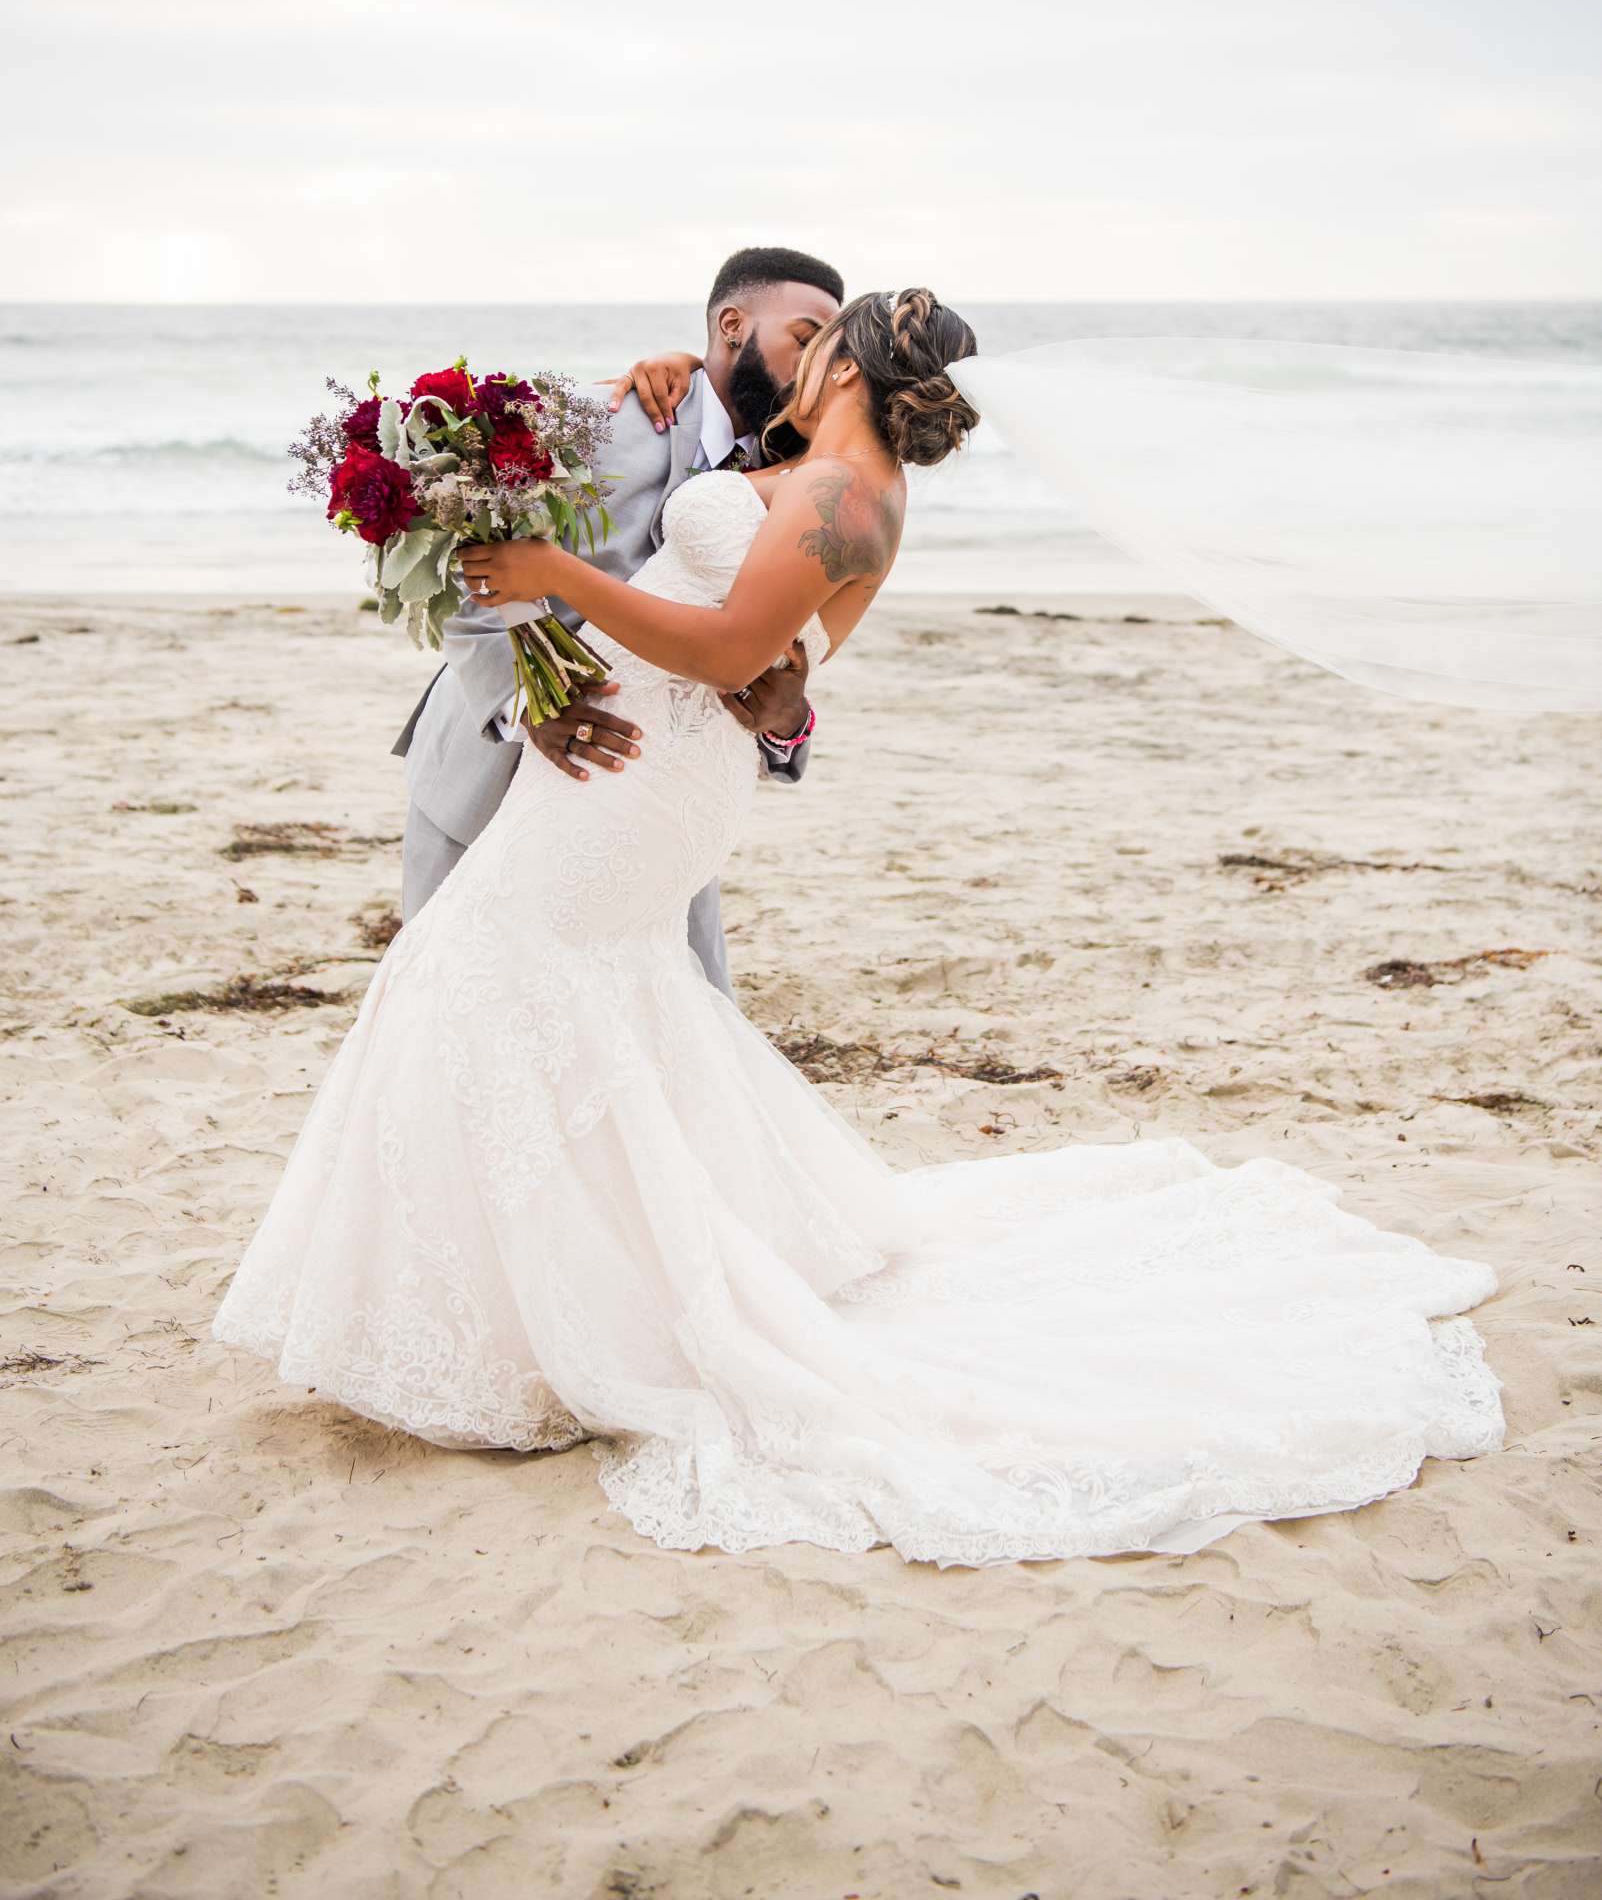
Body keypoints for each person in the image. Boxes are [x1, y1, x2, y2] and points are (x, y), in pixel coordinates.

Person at [213, 289, 1502, 1566]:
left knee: (503, 968)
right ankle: (566, 1296)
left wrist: (549, 573)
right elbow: (780, 666)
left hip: (643, 778)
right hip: (648, 765)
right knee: (574, 988)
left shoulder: (844, 497)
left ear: (839, 368)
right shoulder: (841, 481)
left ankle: (554, 1324)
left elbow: (732, 653)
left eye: (821, 337)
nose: (804, 349)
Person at [391, 245, 844, 994]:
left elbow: (785, 644)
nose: (817, 364)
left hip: (652, 797)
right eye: (804, 336)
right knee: (457, 1006)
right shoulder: (601, 419)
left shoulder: (802, 484)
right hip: (495, 772)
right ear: (732, 324)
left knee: (678, 1033)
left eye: (831, 348)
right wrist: (531, 702)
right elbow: (478, 575)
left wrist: (788, 721)